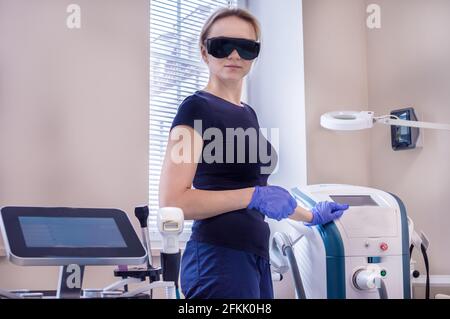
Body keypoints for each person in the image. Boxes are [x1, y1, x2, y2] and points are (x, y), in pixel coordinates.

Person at [158, 7, 349, 299]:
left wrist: (309, 215)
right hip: (217, 258)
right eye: (222, 46)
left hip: (254, 255)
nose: (234, 55)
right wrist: (254, 196)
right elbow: (174, 201)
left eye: (246, 47)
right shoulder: (195, 108)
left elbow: (257, 191)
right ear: (204, 51)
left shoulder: (248, 113)